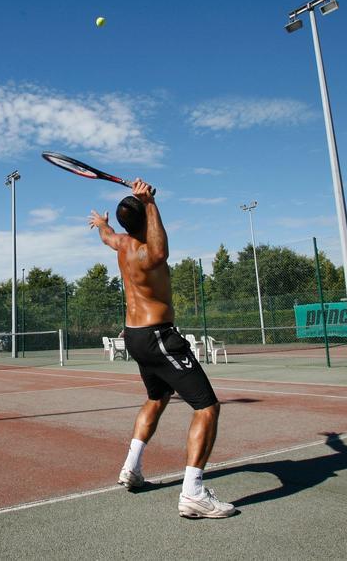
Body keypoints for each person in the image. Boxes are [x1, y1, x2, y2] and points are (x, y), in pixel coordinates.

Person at [89, 179, 235, 519]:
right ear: (146, 221)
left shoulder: (121, 243)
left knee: (157, 398)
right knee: (207, 407)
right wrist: (152, 202)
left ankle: (131, 468)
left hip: (135, 336)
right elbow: (159, 252)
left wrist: (102, 224)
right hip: (157, 335)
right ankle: (193, 493)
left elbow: (107, 237)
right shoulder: (143, 252)